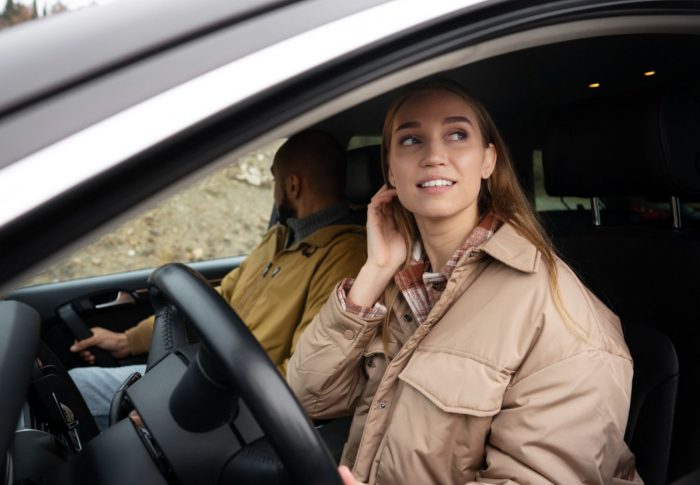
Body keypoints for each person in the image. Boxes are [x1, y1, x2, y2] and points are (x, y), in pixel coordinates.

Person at [288, 81, 642, 484]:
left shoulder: (564, 317)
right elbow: (307, 396)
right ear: (390, 169)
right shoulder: (399, 288)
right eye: (410, 140)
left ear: (488, 161)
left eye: (457, 135)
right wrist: (375, 271)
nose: (434, 155)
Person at [69, 129, 367, 429]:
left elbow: (303, 372)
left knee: (80, 399)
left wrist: (195, 410)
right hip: (203, 372)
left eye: (275, 179)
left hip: (233, 405)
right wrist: (127, 341)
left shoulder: (346, 257)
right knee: (71, 387)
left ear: (292, 185)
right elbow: (218, 301)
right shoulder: (278, 238)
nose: (274, 190)